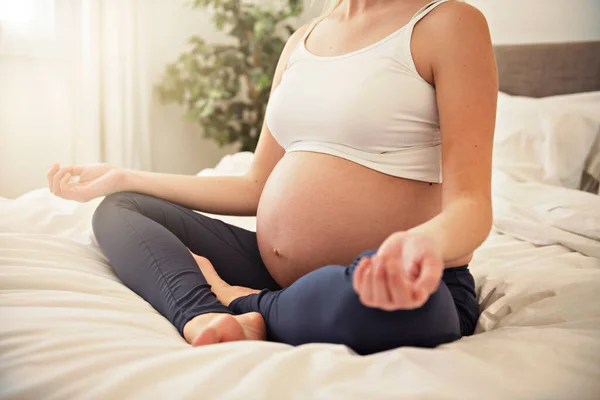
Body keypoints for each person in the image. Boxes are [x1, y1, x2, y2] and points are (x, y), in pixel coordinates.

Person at [46, 0, 497, 355]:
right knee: (120, 209)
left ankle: (236, 301)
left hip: (394, 280)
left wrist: (425, 244)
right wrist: (124, 176)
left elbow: (471, 206)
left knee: (403, 310)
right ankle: (202, 313)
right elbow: (256, 186)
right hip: (278, 274)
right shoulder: (303, 40)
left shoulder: (450, 24)